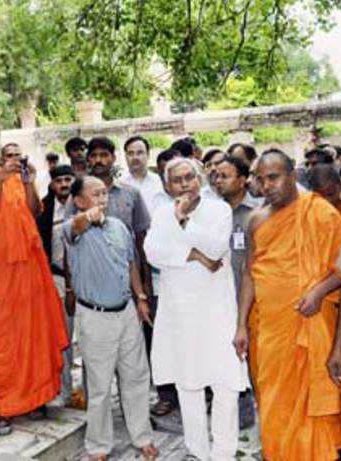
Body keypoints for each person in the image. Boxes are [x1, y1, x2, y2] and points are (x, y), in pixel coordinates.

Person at [234, 149, 341, 460]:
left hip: (311, 328)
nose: (266, 185)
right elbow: (249, 275)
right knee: (274, 403)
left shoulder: (321, 214)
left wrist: (320, 291)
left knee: (313, 410)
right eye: (260, 179)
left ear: (292, 175)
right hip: (270, 333)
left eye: (274, 177)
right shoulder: (256, 219)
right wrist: (241, 324)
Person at [0, 129, 68, 435]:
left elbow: (33, 213)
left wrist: (29, 182)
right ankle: (7, 404)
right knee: (2, 338)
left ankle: (36, 397)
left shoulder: (16, 179)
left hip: (28, 268)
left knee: (33, 333)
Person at [146, 157, 248, 460]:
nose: (184, 184)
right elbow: (152, 252)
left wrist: (184, 224)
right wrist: (193, 254)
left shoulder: (218, 209)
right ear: (167, 185)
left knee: (225, 383)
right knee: (187, 385)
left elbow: (216, 247)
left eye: (189, 177)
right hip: (180, 312)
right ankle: (198, 452)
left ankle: (224, 452)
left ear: (200, 178)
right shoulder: (163, 212)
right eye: (177, 180)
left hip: (216, 310)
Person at [64, 176, 157, 461]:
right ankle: (98, 446)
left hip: (127, 312)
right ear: (79, 200)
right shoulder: (72, 228)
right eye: (95, 194)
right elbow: (76, 226)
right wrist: (86, 217)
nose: (103, 199)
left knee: (136, 377)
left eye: (105, 193)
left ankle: (142, 437)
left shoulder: (118, 227)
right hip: (95, 316)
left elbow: (131, 264)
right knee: (100, 385)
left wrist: (140, 298)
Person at [121, 135, 178, 415]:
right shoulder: (121, 188)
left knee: (175, 331)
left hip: (170, 271)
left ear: (148, 155)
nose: (135, 157)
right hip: (139, 273)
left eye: (140, 152)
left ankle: (189, 387)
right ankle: (163, 393)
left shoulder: (162, 186)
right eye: (130, 152)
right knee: (152, 335)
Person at [214, 154, 261, 429]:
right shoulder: (209, 213)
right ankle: (238, 423)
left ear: (243, 180)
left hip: (252, 302)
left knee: (255, 363)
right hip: (218, 302)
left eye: (225, 175)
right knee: (228, 364)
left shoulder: (258, 214)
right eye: (216, 175)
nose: (218, 180)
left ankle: (262, 419)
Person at [80, 137, 152, 296]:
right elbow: (69, 240)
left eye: (104, 155)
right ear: (88, 159)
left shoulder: (131, 193)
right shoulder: (77, 196)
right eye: (94, 155)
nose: (99, 160)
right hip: (91, 276)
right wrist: (70, 288)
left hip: (128, 274)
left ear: (113, 158)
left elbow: (141, 239)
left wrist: (146, 279)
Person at [36, 164, 76, 404]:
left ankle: (93, 395)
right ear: (52, 184)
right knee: (63, 338)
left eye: (68, 179)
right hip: (57, 280)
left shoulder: (84, 203)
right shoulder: (44, 208)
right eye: (59, 180)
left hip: (85, 282)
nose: (64, 184)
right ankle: (65, 391)